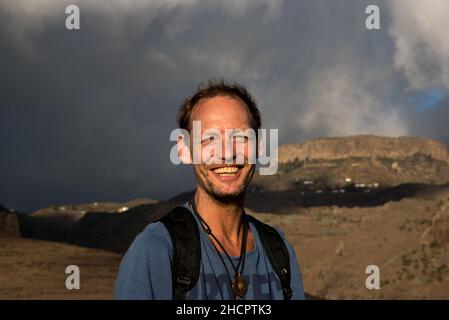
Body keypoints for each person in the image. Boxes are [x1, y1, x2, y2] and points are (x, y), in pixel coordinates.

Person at [115, 80, 305, 300]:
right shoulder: (156, 250)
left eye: (241, 137)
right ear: (184, 149)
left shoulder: (279, 252)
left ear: (259, 147)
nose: (226, 153)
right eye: (209, 139)